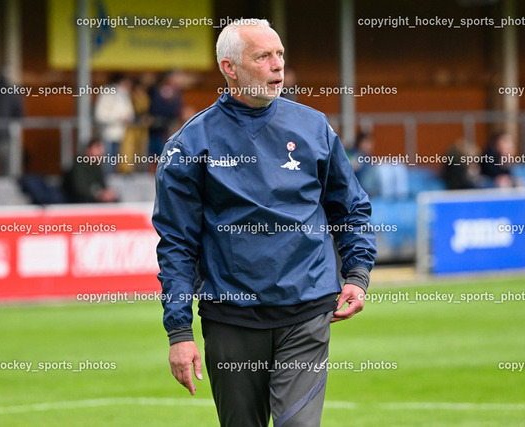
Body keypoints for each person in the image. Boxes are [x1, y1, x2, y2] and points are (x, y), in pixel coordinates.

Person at [152, 19, 376, 427]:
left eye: (280, 55)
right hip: (231, 317)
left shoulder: (314, 127)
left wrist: (358, 274)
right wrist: (179, 331)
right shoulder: (190, 144)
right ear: (230, 68)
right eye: (263, 57)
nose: (278, 65)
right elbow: (176, 245)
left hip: (307, 309)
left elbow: (350, 207)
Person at [94, 73, 134, 173]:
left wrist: (127, 118)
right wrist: (118, 118)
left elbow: (129, 112)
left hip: (121, 133)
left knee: (117, 160)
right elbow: (100, 114)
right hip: (108, 133)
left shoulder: (124, 95)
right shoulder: (107, 93)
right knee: (108, 160)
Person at [63, 139, 118, 203]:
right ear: (88, 150)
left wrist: (107, 193)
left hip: (92, 198)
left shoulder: (97, 165)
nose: (100, 152)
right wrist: (99, 195)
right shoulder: (78, 164)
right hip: (76, 201)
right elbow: (80, 189)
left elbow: (102, 184)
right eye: (97, 149)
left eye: (101, 149)